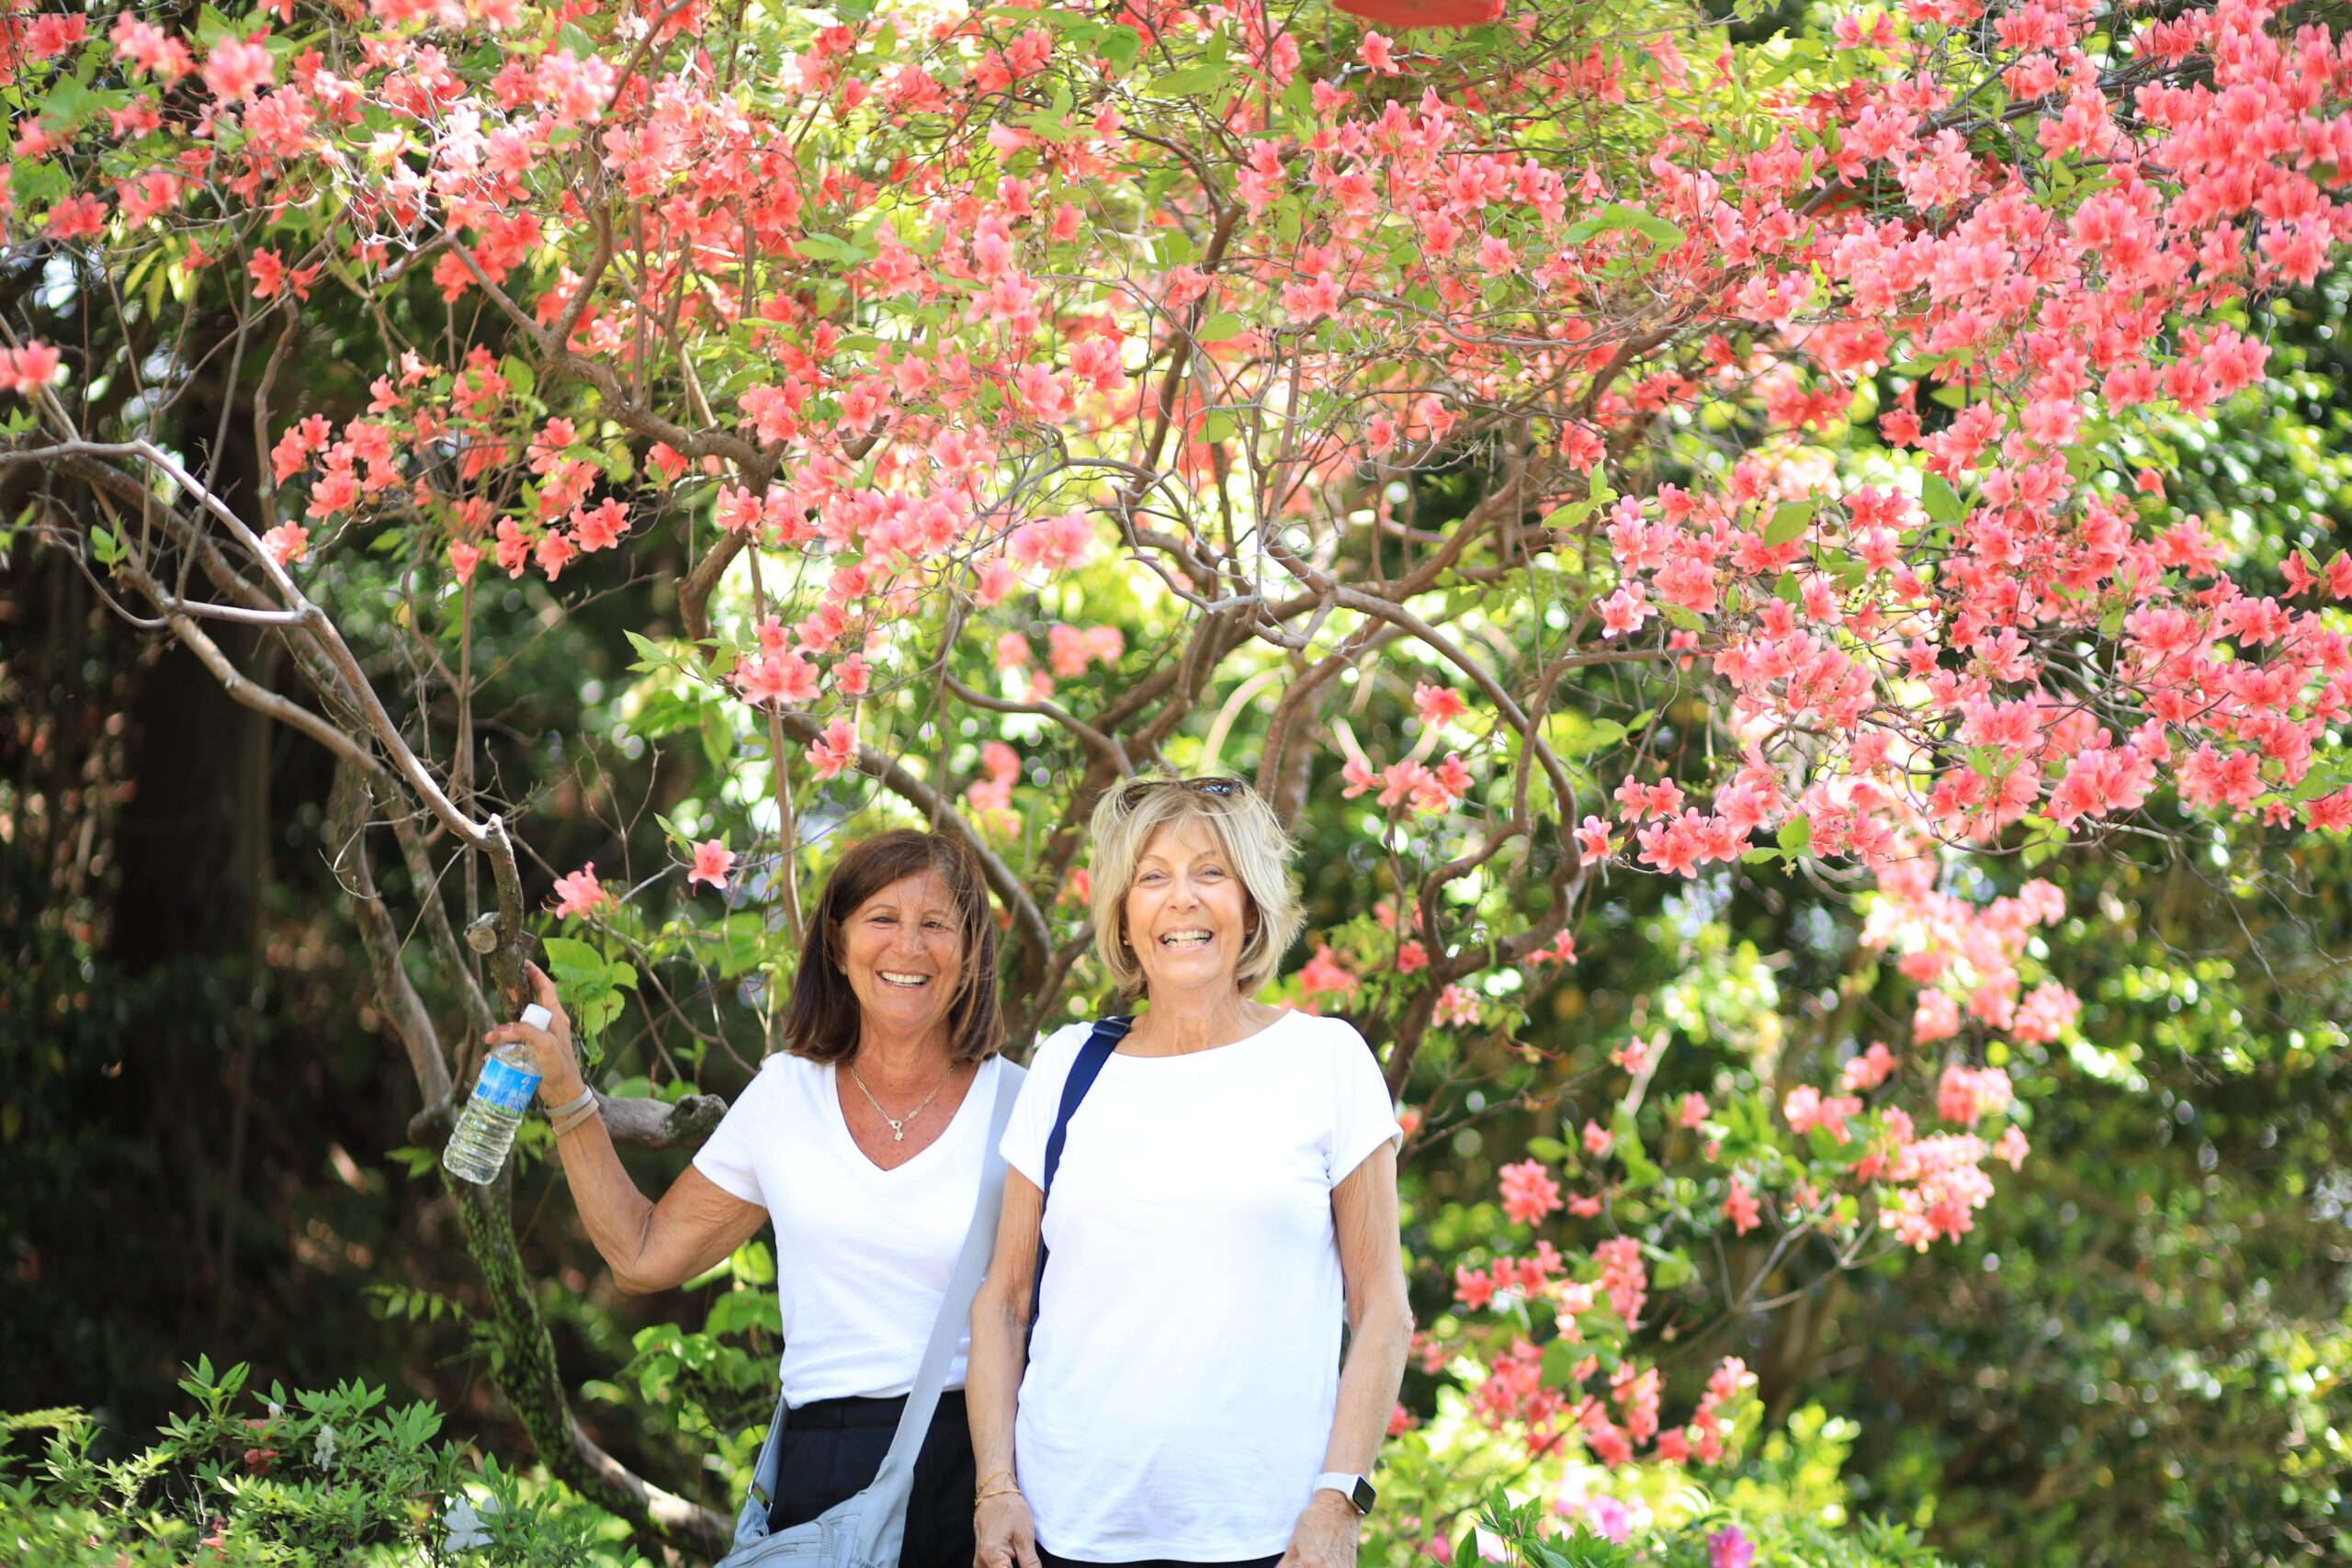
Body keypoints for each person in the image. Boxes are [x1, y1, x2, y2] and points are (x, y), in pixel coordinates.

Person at [489, 829, 1011, 1568]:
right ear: (837, 941)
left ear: (971, 946)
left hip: (985, 1473)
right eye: (883, 920)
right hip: (823, 1476)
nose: (909, 947)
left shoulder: (1024, 1104)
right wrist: (568, 1091)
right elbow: (641, 1254)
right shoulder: (786, 1096)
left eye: (936, 923)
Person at [967, 776, 1412, 1568]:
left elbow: (1382, 1307)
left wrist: (1339, 1498)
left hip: (1269, 1541)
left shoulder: (1327, 1060)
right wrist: (996, 1487)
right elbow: (1003, 1302)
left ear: (1251, 901)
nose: (1182, 899)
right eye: (1152, 876)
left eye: (1210, 871)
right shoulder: (1069, 1064)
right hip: (1065, 1534)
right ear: (1123, 914)